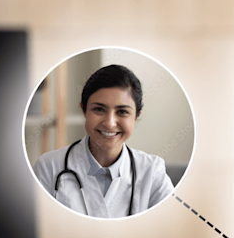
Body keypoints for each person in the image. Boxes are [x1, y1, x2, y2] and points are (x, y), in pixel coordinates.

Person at [32, 64, 174, 218]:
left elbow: (168, 229)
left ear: (136, 116)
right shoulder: (48, 167)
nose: (110, 123)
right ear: (84, 110)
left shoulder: (152, 171)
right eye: (99, 109)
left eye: (122, 112)